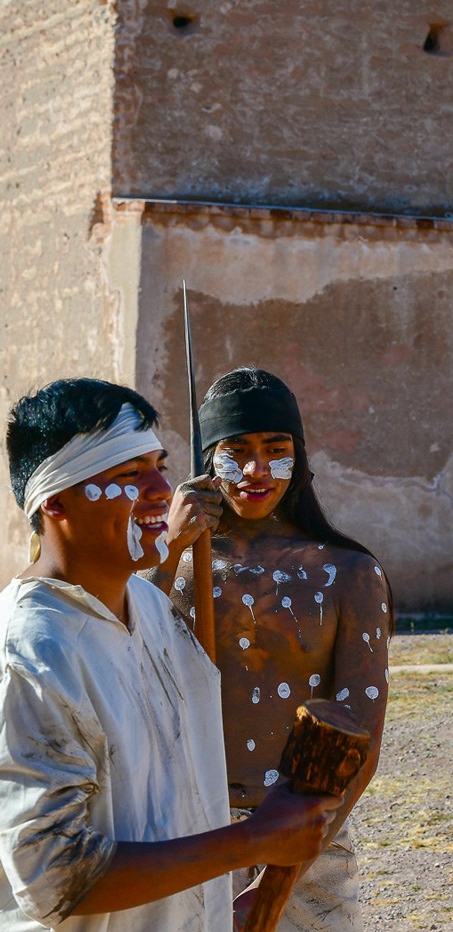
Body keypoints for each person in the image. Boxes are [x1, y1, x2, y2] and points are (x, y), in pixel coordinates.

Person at [0, 378, 338, 932]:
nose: (163, 489)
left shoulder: (150, 610)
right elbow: (53, 877)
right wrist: (251, 841)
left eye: (159, 464)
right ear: (55, 500)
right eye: (129, 475)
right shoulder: (33, 652)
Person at [155, 367, 391, 931]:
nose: (258, 470)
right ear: (208, 461)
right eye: (237, 451)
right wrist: (167, 546)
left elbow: (360, 743)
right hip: (185, 831)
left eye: (275, 450)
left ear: (299, 456)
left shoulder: (349, 573)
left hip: (304, 836)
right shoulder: (173, 564)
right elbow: (114, 651)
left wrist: (278, 874)